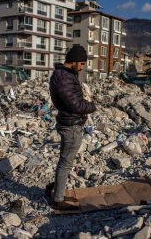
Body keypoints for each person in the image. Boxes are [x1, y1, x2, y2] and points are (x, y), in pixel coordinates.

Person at [49, 45, 96, 209]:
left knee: (64, 160)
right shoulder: (64, 78)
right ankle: (58, 200)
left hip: (68, 122)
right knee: (66, 163)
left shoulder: (64, 75)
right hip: (71, 125)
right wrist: (91, 106)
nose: (83, 67)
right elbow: (75, 104)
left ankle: (56, 189)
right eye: (82, 64)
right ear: (74, 62)